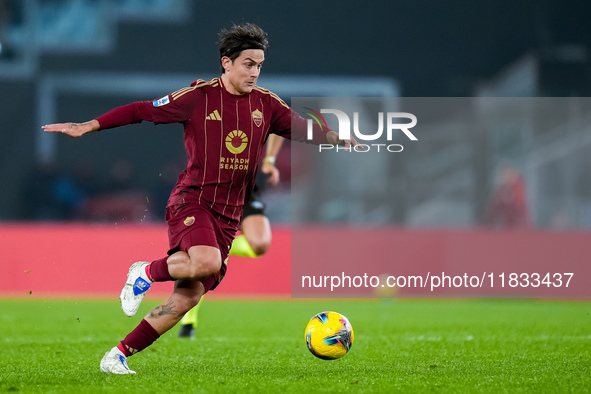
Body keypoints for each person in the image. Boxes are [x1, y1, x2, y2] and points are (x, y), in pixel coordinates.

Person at [42, 23, 354, 375]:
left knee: (185, 299)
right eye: (248, 64)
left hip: (228, 217)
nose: (254, 72)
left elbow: (301, 127)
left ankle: (117, 355)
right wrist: (90, 125)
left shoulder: (266, 105)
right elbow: (141, 110)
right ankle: (144, 270)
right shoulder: (198, 97)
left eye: (259, 65)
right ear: (226, 63)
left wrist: (335, 138)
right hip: (192, 201)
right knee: (206, 263)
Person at [177, 134, 284, 338]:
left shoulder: (261, 106)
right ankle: (189, 321)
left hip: (246, 187)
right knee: (204, 264)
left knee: (259, 245)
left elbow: (280, 126)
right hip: (212, 188)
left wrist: (269, 160)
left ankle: (219, 246)